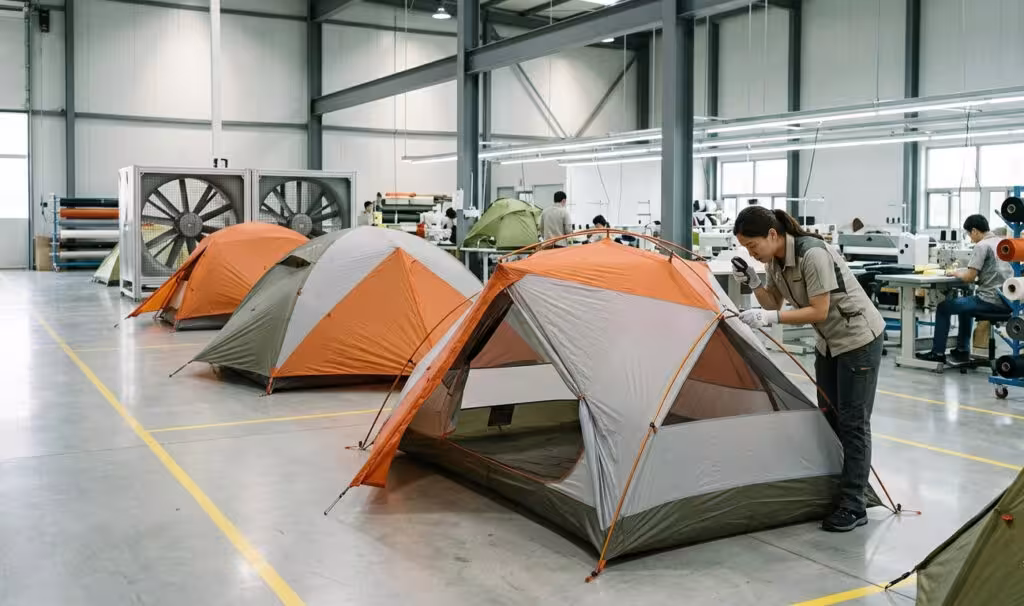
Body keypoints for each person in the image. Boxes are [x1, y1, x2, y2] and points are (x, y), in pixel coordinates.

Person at [731, 206, 885, 533]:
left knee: (853, 421)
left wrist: (768, 319)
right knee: (828, 416)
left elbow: (818, 310)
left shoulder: (812, 254)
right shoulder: (774, 261)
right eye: (745, 249)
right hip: (828, 343)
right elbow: (773, 301)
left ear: (772, 235)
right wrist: (755, 282)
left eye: (752, 245)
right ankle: (836, 490)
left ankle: (854, 504)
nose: (751, 252)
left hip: (857, 340)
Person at [917, 214, 1011, 364]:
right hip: (1006, 301)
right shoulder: (1002, 242)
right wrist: (964, 270)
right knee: (965, 307)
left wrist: (954, 272)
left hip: (989, 300)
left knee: (943, 308)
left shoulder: (982, 246)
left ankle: (938, 353)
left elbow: (969, 277)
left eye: (969, 234)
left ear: (974, 231)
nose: (969, 238)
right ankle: (962, 349)